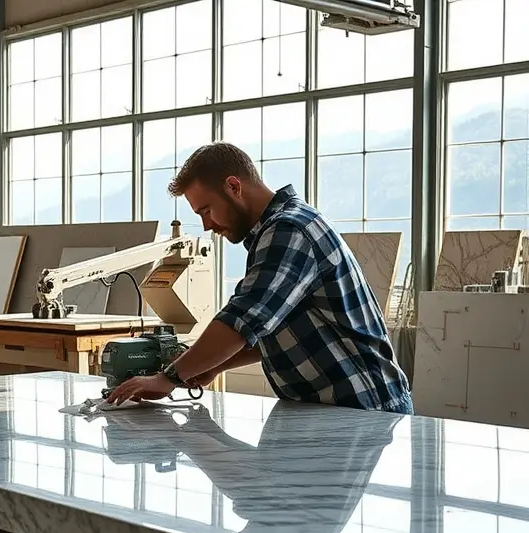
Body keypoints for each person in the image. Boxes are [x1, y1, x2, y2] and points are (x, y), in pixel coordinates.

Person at [107, 142, 412, 414]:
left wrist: (169, 378)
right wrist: (214, 366)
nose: (206, 225)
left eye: (207, 210)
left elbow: (242, 321)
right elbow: (270, 332)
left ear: (234, 186)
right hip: (332, 411)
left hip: (366, 407)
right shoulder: (270, 234)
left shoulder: (291, 229)